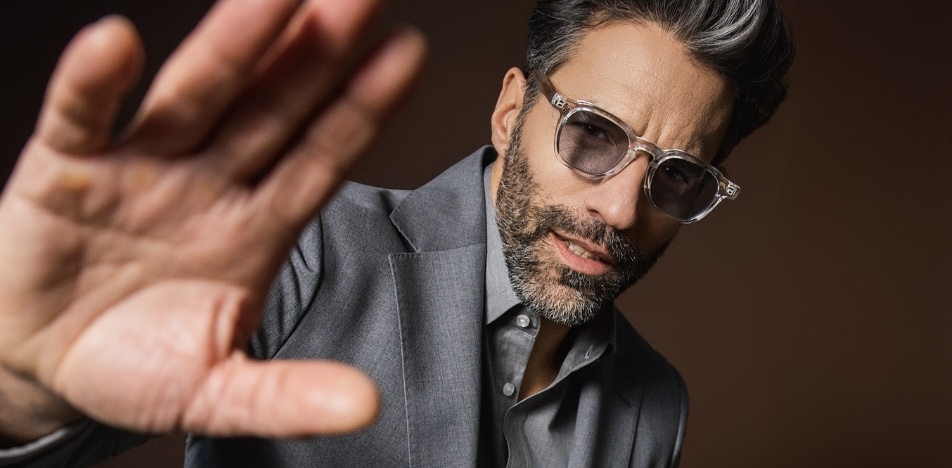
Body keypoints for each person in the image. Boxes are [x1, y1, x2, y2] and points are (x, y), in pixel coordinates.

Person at [0, 0, 793, 466]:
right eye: (593, 133)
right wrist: (21, 386)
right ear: (511, 112)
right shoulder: (302, 249)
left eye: (677, 176)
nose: (620, 210)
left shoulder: (654, 405)